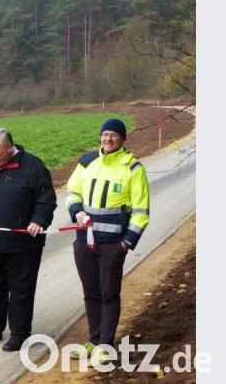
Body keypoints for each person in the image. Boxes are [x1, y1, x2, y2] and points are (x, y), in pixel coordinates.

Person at [65, 118, 150, 361]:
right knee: (90, 292)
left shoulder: (133, 168)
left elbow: (141, 212)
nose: (108, 139)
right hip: (85, 241)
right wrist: (77, 212)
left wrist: (126, 243)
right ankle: (94, 340)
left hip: (113, 245)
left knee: (108, 294)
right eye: (105, 134)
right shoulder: (87, 162)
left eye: (113, 135)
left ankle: (106, 345)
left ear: (122, 139)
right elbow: (72, 191)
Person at [0, 128, 57, 352]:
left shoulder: (33, 167)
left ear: (10, 148)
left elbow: (46, 200)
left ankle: (19, 334)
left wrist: (39, 220)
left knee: (20, 290)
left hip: (23, 245)